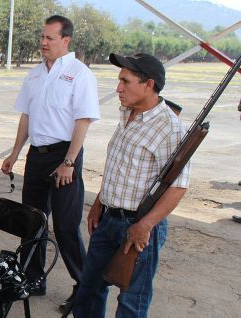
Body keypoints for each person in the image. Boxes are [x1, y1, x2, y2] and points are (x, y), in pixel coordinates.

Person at [72, 53, 190, 318]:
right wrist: (99, 203)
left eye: (125, 81)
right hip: (108, 220)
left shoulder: (170, 128)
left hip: (138, 227)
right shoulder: (128, 113)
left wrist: (144, 226)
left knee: (131, 303)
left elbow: (178, 187)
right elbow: (119, 166)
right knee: (88, 291)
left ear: (148, 84)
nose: (118, 88)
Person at [0, 15, 100, 312]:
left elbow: (83, 121)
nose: (43, 43)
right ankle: (32, 279)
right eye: (42, 37)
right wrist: (15, 153)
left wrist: (69, 162)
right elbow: (26, 117)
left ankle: (84, 286)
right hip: (36, 156)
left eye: (49, 38)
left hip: (64, 156)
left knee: (66, 226)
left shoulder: (79, 74)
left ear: (65, 40)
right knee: (31, 220)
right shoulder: (34, 74)